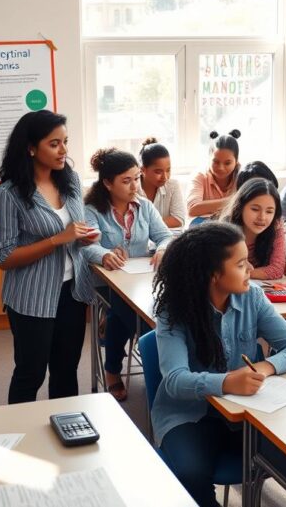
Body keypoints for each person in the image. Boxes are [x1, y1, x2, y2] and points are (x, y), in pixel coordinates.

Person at [152, 223, 286, 506]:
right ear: (213, 274)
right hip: (189, 414)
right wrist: (225, 382)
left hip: (247, 412)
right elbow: (175, 380)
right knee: (192, 473)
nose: (250, 268)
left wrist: (263, 368)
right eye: (240, 264)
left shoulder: (252, 297)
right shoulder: (172, 310)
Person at [0, 110, 96, 404]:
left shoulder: (71, 180)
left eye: (65, 142)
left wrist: (85, 235)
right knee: (31, 373)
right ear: (31, 147)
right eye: (54, 144)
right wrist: (56, 239)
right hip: (31, 297)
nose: (64, 150)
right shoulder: (9, 194)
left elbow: (78, 225)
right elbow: (5, 257)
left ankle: (64, 432)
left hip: (72, 292)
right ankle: (19, 436)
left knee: (66, 371)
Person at [82, 148, 173, 402]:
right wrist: (103, 254)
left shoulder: (144, 207)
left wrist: (163, 249)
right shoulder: (92, 209)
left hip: (141, 280)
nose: (135, 186)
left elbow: (165, 235)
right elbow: (86, 244)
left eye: (136, 178)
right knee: (126, 312)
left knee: (136, 310)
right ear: (107, 183)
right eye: (126, 180)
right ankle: (119, 367)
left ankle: (134, 358)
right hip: (106, 283)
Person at [219, 178, 286, 280]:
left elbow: (277, 269)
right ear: (240, 207)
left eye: (269, 211)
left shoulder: (276, 227)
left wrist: (240, 273)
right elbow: (221, 270)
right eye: (255, 209)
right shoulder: (225, 230)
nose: (262, 217)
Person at [187, 130, 241, 218]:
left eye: (227, 163)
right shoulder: (200, 176)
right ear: (209, 158)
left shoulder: (243, 175)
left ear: (236, 161)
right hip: (205, 228)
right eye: (216, 162)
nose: (221, 168)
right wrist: (234, 201)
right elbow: (192, 209)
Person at [138, 137, 186, 229]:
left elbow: (178, 220)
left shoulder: (173, 185)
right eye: (158, 172)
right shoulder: (133, 189)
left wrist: (145, 225)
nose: (165, 177)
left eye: (168, 170)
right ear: (143, 170)